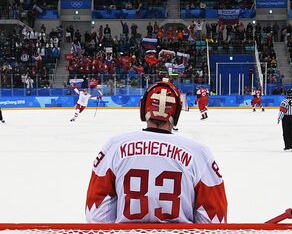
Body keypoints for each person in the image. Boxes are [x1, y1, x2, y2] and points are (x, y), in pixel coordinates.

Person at [85, 79, 227, 223]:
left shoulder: (113, 147)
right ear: (176, 113)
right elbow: (215, 220)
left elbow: (96, 214)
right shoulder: (199, 153)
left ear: (143, 109)